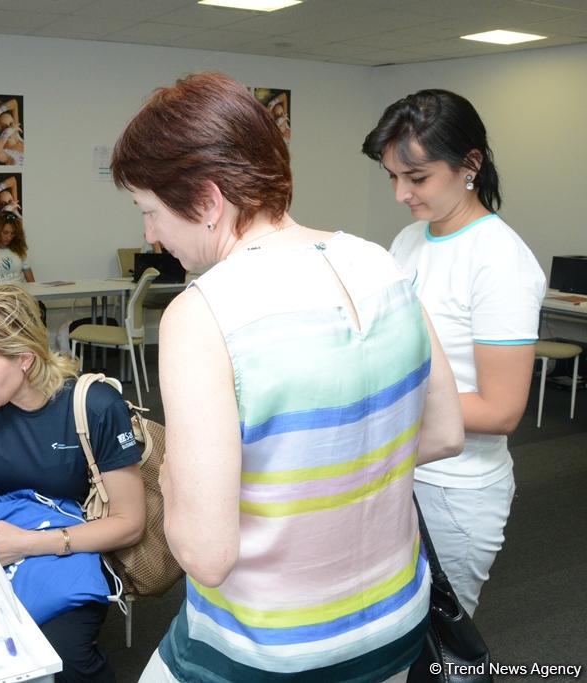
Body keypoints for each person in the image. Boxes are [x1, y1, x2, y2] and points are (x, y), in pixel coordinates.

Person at [110, 72, 465, 682]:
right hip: (395, 623)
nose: (149, 234)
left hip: (273, 649)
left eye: (150, 210)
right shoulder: (381, 262)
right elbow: (443, 433)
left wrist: (172, 474)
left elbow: (206, 554)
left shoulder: (204, 313)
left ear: (207, 200)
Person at [363, 89, 546, 616]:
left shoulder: (498, 260)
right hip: (401, 470)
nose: (401, 193)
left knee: (444, 649)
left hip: (455, 490)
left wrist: (381, 397)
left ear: (470, 165)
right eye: (392, 177)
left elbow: (502, 409)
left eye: (416, 178)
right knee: (389, 635)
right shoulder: (409, 241)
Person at [0, 284, 145, 683]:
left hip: (76, 549)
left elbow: (130, 523)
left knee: (64, 661)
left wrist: (31, 543)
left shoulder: (94, 407)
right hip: (5, 541)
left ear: (24, 358)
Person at [0, 212, 35, 283]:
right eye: (5, 233)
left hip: (18, 291)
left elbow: (31, 281)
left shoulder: (19, 250)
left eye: (12, 233)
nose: (9, 237)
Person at [0, 98, 25, 166]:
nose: (10, 128)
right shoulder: (6, 152)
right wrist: (7, 132)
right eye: (4, 128)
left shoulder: (16, 134)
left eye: (11, 124)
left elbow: (14, 103)